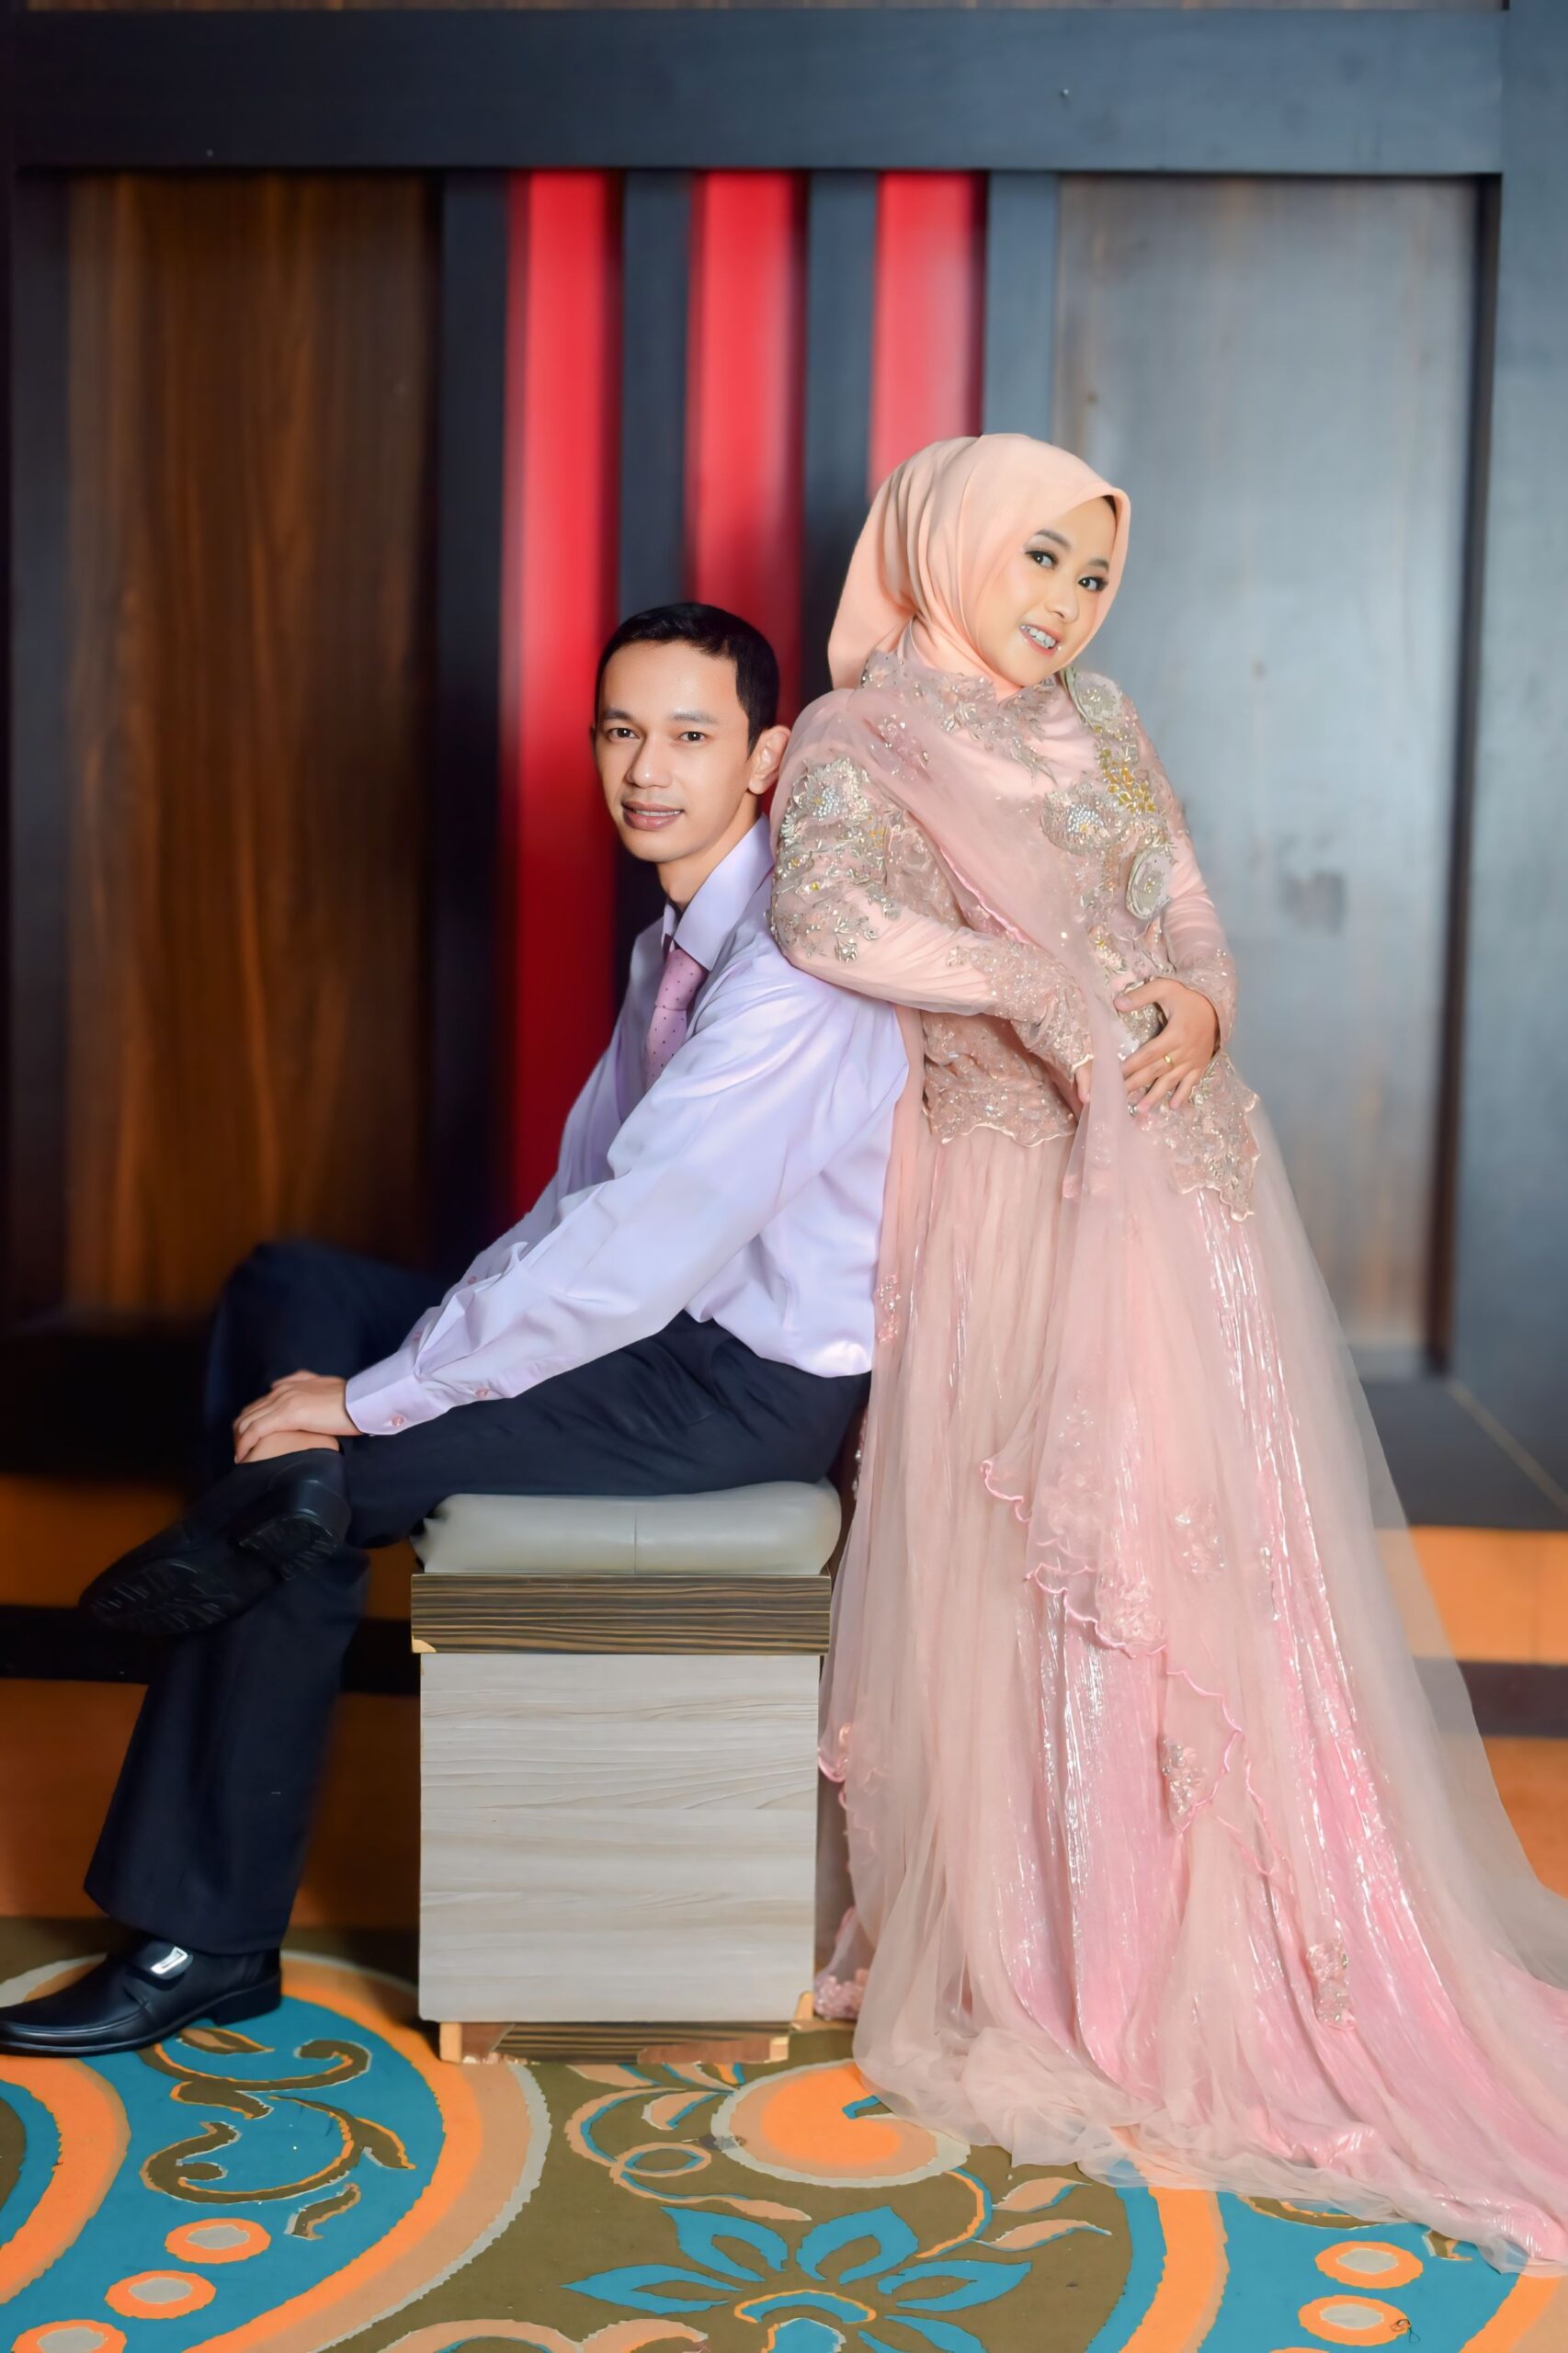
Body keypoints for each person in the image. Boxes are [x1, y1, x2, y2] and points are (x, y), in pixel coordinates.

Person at [767, 435, 1568, 2270]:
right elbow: (830, 914)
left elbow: (1183, 895)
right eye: (1035, 560)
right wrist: (1038, 989)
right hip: (1011, 1192)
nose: (1062, 603)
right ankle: (1070, 1946)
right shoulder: (855, 741)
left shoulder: (1102, 720)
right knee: (1043, 1558)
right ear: (948, 544)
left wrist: (1202, 997)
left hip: (1187, 1185)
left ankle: (1244, 1924)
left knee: (1205, 1556)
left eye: (1089, 574)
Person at [0, 600, 907, 2060]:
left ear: (765, 758)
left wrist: (376, 1400)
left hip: (734, 1387)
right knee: (287, 1288)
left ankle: (196, 1938)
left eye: (690, 735)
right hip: (642, 1335)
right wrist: (398, 1359)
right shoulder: (675, 943)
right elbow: (576, 1205)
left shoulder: (788, 973)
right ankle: (264, 1519)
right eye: (620, 731)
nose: (646, 769)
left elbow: (636, 1242)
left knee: (303, 1478)